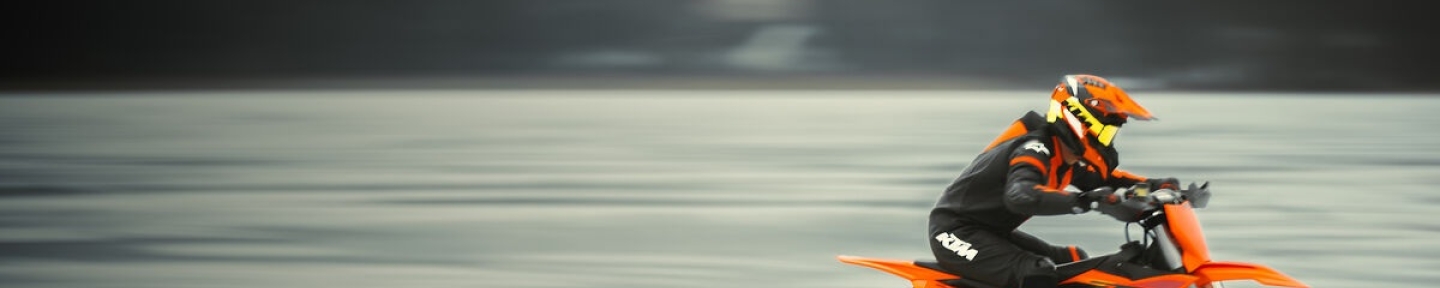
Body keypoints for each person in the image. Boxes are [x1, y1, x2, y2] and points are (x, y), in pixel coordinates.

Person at [927, 74, 1182, 288]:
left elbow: (1112, 182)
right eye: (1104, 130)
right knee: (1036, 273)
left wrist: (1159, 187)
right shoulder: (1035, 149)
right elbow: (1021, 195)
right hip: (954, 233)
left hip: (992, 232)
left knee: (1074, 261)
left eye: (1111, 133)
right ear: (1078, 119)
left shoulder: (1067, 158)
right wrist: (1089, 202)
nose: (1107, 141)